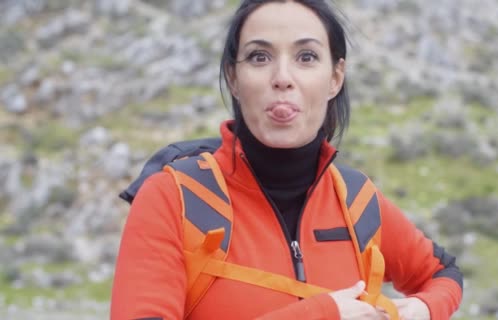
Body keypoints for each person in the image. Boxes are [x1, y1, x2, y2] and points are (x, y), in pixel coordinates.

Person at [110, 1, 463, 319]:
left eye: (306, 57)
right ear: (233, 78)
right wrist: (321, 314)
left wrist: (425, 309)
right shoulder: (174, 198)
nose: (282, 78)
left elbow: (442, 273)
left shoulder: (356, 200)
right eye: (259, 57)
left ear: (335, 78)